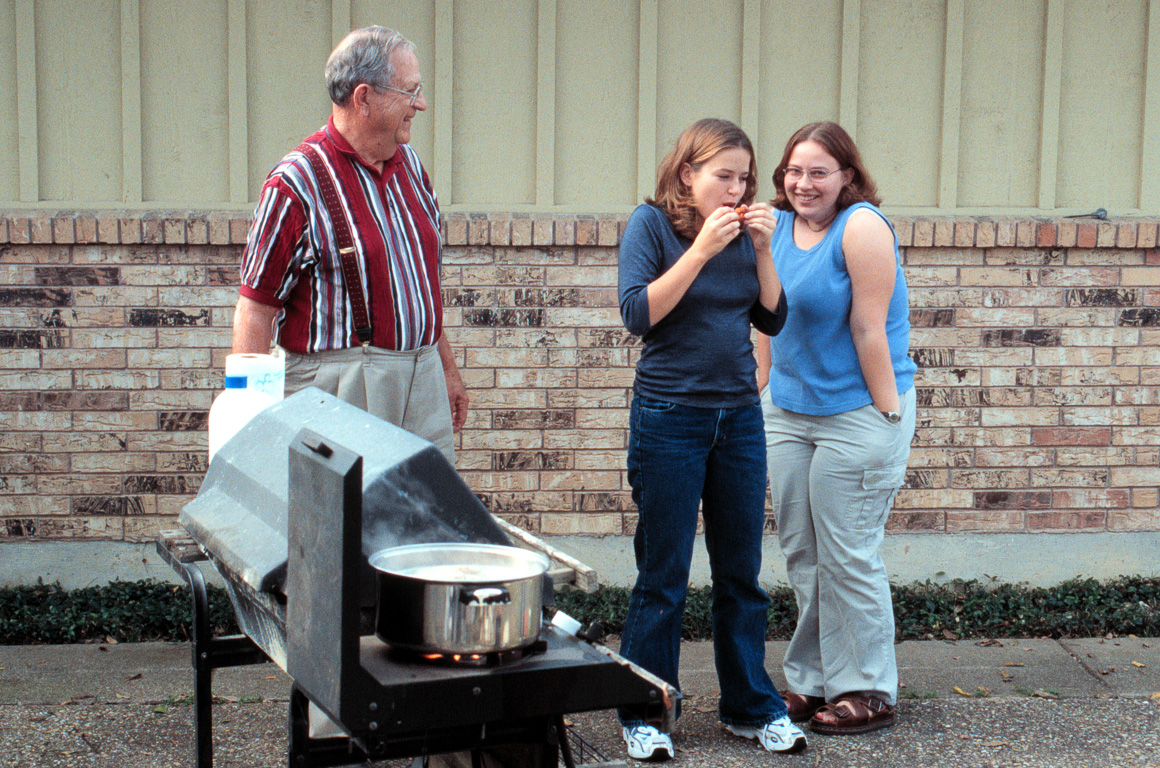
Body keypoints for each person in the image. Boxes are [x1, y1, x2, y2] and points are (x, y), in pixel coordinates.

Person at [616, 118, 804, 761]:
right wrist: (699, 250)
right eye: (724, 175)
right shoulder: (651, 226)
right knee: (663, 573)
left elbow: (772, 317)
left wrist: (761, 250)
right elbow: (638, 313)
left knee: (741, 574)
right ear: (687, 173)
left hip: (739, 419)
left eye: (745, 178)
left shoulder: (745, 233)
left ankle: (751, 708)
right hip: (670, 416)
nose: (737, 188)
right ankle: (646, 712)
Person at [232, 26, 467, 463]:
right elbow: (256, 307)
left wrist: (446, 370)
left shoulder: (411, 168)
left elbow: (419, 285)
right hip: (339, 394)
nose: (421, 103)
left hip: (424, 383)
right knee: (345, 528)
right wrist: (250, 425)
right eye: (410, 91)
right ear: (364, 98)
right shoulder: (295, 182)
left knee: (424, 524)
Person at [755, 121, 917, 735]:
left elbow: (869, 329)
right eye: (795, 171)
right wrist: (763, 386)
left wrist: (888, 417)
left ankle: (869, 687)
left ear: (848, 175)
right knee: (803, 548)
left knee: (847, 552)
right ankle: (812, 681)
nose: (804, 183)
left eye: (819, 171)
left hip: (860, 409)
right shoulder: (771, 226)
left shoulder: (863, 227)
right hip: (790, 413)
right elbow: (765, 316)